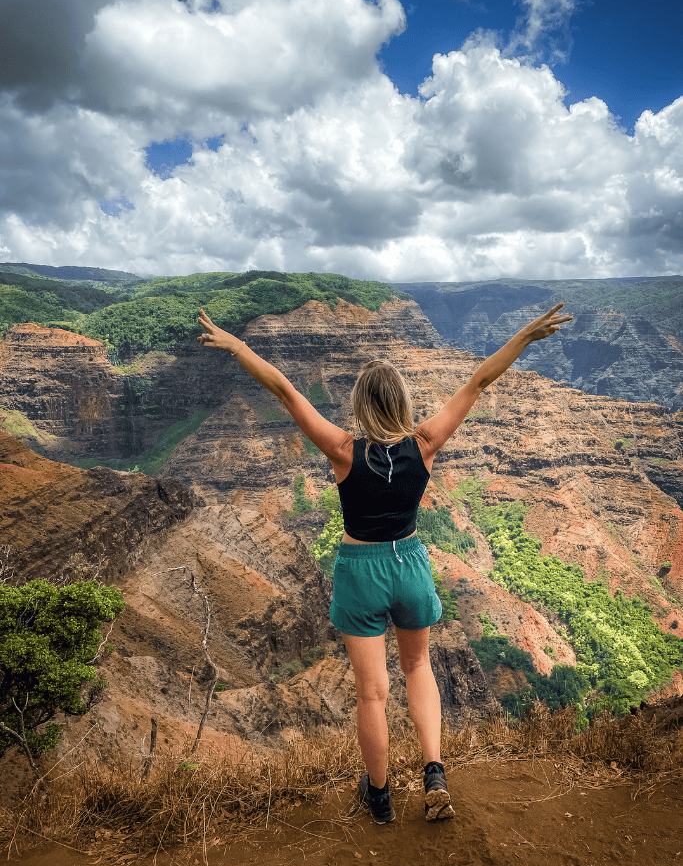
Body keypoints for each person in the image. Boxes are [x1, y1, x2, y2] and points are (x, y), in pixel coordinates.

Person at [197, 301, 572, 824]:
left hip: (360, 570)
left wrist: (238, 345)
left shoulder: (343, 450)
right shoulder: (426, 444)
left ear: (359, 404)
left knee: (372, 693)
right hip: (411, 565)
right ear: (401, 401)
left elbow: (284, 390)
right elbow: (479, 379)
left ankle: (379, 797)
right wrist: (525, 336)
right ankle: (434, 771)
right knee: (419, 667)